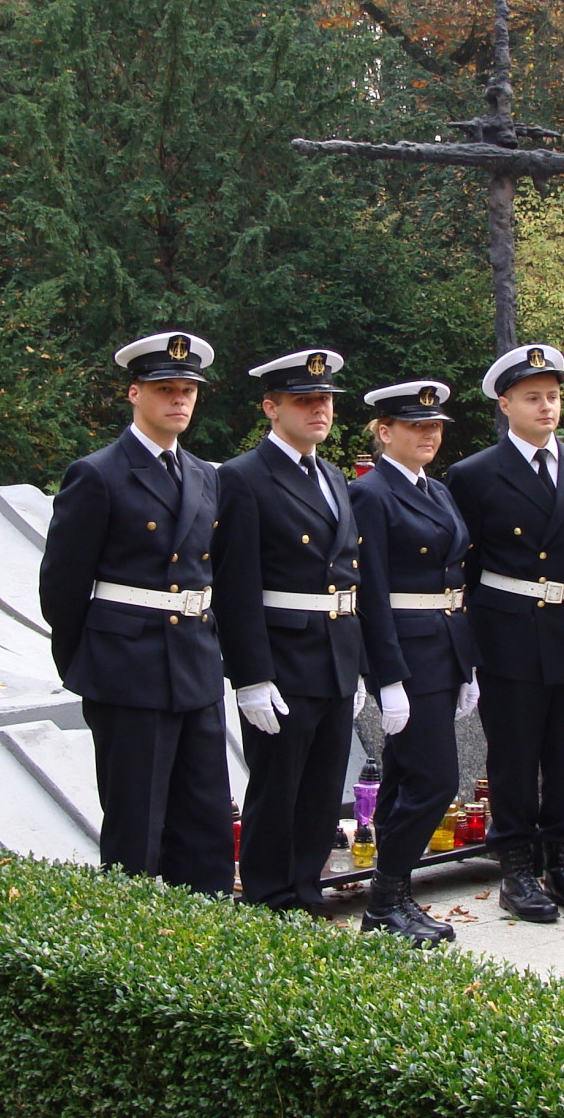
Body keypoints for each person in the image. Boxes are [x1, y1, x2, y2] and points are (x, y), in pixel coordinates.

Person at [38, 332, 232, 897]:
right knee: (136, 823)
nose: (179, 400)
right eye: (165, 389)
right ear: (134, 393)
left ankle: (204, 931)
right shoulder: (96, 474)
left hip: (194, 663)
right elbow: (62, 587)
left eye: (188, 391)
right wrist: (87, 664)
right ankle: (134, 944)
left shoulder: (203, 474)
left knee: (205, 820)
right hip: (128, 666)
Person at [445, 344, 564, 924]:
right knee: (515, 755)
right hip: (509, 629)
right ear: (505, 403)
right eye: (533, 397)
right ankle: (516, 868)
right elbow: (461, 564)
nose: (546, 407)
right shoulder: (472, 474)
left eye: (554, 397)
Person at [213, 348, 365, 914]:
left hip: (333, 654)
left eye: (325, 400)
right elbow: (234, 584)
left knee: (324, 791)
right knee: (277, 789)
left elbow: (349, 577)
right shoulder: (243, 477)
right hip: (282, 656)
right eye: (304, 401)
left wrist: (359, 664)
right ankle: (268, 897)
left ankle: (305, 889)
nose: (319, 411)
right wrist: (250, 675)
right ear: (270, 408)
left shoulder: (331, 475)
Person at [348, 380, 478, 944]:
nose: (429, 435)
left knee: (405, 780)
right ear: (385, 432)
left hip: (444, 649)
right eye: (416, 427)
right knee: (435, 780)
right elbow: (370, 592)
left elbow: (454, 580)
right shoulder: (371, 494)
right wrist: (387, 678)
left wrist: (466, 665)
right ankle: (384, 898)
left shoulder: (438, 490)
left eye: (435, 427)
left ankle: (396, 898)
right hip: (407, 653)